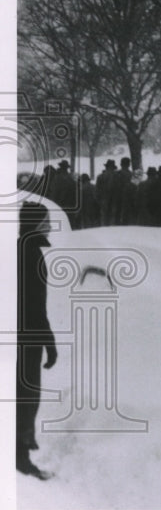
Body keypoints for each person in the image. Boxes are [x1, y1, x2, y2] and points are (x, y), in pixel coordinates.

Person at [16, 202, 58, 480]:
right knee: (27, 397)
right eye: (46, 219)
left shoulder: (19, 248)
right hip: (28, 337)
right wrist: (49, 344)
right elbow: (35, 306)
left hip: (17, 334)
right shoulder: (32, 254)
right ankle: (21, 458)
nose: (50, 224)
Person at [96, 159, 117, 226]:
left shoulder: (100, 176)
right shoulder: (117, 176)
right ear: (113, 168)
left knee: (104, 219)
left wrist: (99, 201)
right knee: (113, 219)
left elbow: (97, 191)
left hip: (103, 201)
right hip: (114, 201)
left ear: (106, 167)